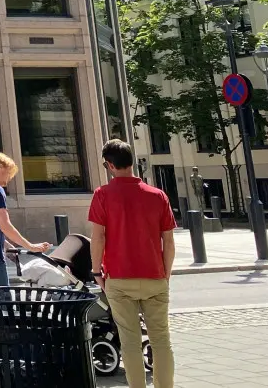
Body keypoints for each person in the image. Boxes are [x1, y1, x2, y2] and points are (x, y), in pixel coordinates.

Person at [89, 139, 175, 388]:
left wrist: (96, 271)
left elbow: (98, 237)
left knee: (130, 342)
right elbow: (168, 242)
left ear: (109, 165)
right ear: (132, 162)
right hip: (155, 277)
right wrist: (165, 275)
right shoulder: (158, 196)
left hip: (119, 278)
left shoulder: (102, 195)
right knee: (161, 340)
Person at [0, 152, 51, 286]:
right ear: (1, 167)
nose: (9, 179)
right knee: (3, 299)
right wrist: (31, 246)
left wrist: (5, 244)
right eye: (9, 173)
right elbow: (5, 225)